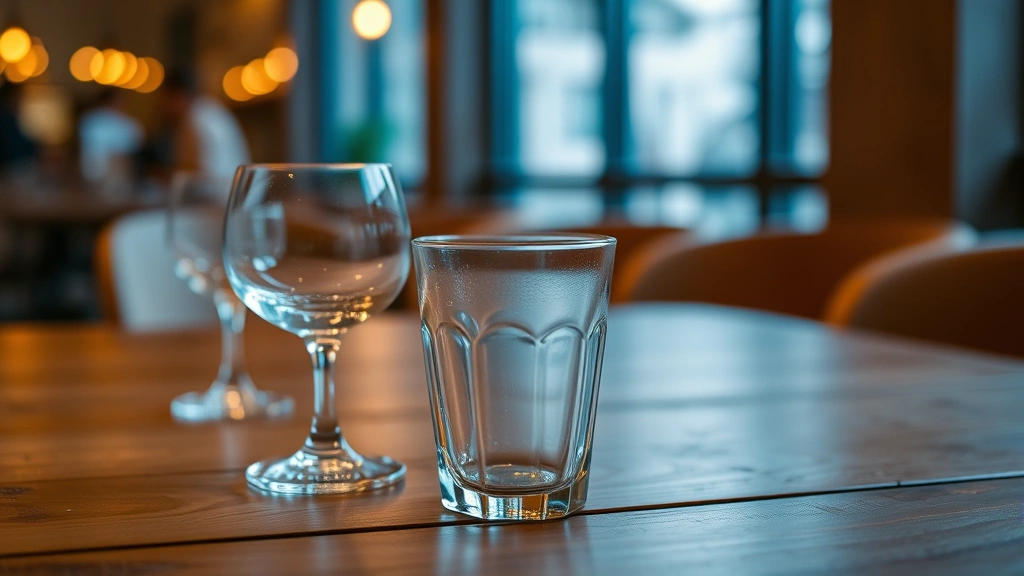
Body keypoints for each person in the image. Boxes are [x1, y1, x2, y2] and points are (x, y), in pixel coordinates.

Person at [160, 70, 250, 180]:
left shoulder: (195, 119)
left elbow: (200, 173)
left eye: (165, 98)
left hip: (220, 193)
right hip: (235, 190)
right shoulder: (210, 109)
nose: (163, 106)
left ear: (178, 95)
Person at [78, 89, 144, 184]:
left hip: (118, 175)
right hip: (96, 173)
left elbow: (132, 155)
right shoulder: (91, 121)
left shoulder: (130, 124)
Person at [0, 82, 38, 174]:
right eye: (19, 96)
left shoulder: (10, 117)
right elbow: (15, 147)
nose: (21, 100)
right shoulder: (6, 118)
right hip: (11, 169)